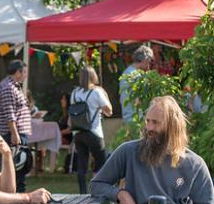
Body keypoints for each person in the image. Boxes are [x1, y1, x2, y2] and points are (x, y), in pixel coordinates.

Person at [70, 66, 112, 194]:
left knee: (82, 165)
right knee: (101, 163)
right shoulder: (96, 92)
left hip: (78, 132)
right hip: (94, 132)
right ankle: (98, 191)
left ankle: (82, 193)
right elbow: (109, 111)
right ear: (93, 76)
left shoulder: (75, 93)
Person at [0, 60, 32, 192]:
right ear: (18, 72)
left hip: (17, 134)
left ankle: (17, 195)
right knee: (15, 168)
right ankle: (13, 197)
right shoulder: (8, 88)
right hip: (12, 135)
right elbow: (9, 114)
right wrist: (15, 135)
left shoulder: (14, 86)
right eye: (24, 72)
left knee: (20, 167)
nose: (26, 75)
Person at [119, 45, 153, 123]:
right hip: (136, 118)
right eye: (149, 62)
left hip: (127, 116)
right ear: (145, 60)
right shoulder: (136, 76)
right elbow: (140, 99)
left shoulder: (127, 72)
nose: (149, 65)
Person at [57, 92, 74, 173]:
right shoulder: (63, 114)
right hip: (61, 136)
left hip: (68, 138)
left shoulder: (71, 113)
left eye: (63, 99)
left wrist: (59, 133)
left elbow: (70, 129)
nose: (61, 101)